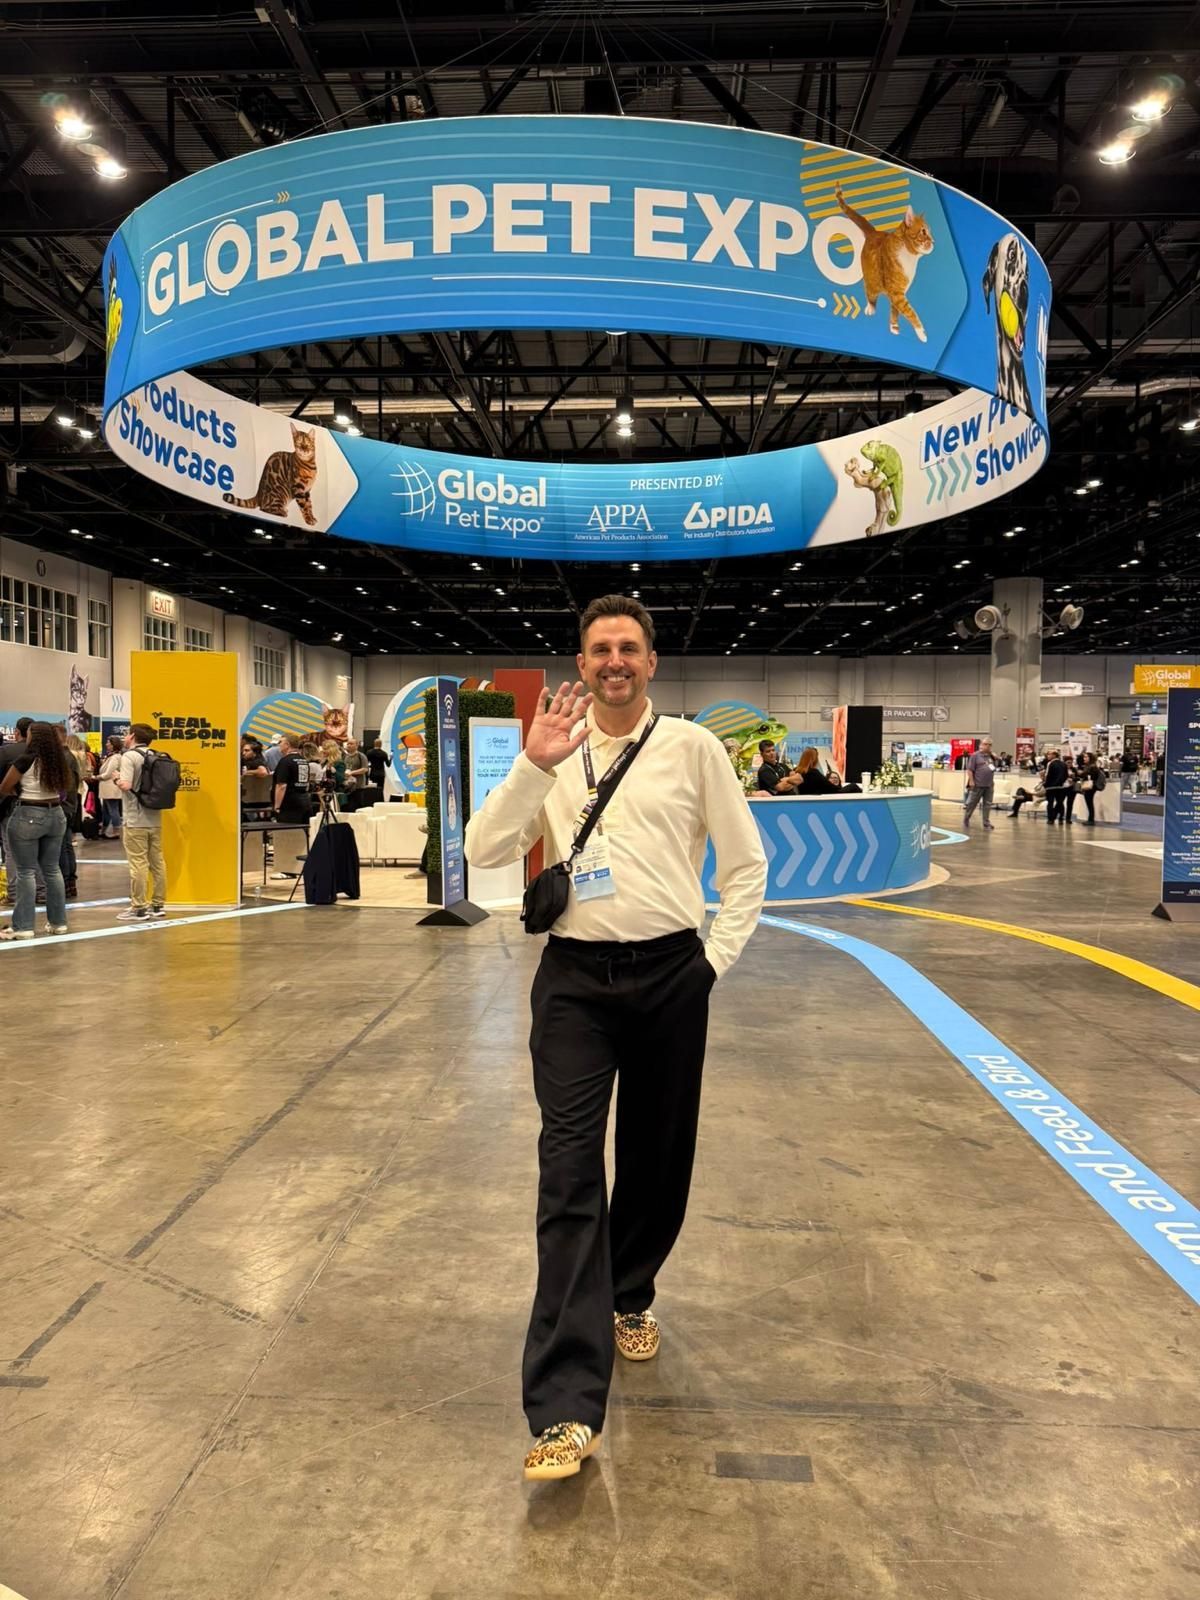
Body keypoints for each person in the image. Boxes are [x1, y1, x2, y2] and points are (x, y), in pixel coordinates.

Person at [465, 594, 767, 1483]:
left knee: (656, 1158)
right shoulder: (554, 749)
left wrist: (711, 963)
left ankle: (630, 1290)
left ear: (653, 661)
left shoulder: (693, 748)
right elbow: (484, 852)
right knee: (567, 1170)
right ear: (582, 662)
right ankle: (564, 1408)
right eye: (600, 650)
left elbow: (745, 865)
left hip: (674, 972)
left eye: (628, 647)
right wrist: (530, 768)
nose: (614, 662)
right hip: (574, 985)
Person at [0, 721, 76, 940]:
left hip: (28, 814)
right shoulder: (59, 759)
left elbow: (5, 786)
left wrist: (20, 791)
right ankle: (58, 922)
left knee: (25, 871)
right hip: (56, 815)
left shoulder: (26, 759)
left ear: (33, 736)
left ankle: (23, 926)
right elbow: (65, 788)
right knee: (52, 870)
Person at [115, 723, 168, 921]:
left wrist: (116, 779)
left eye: (127, 733)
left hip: (135, 818)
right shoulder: (156, 755)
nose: (125, 736)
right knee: (158, 862)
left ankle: (138, 907)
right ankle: (158, 905)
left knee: (138, 863)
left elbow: (127, 785)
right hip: (155, 817)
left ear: (133, 736)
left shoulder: (130, 756)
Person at [0, 717, 35, 906]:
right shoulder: (45, 754)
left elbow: (3, 784)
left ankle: (14, 893)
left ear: (17, 732)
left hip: (11, 806)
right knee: (39, 854)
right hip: (42, 808)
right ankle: (41, 892)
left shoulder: (7, 752)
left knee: (11, 851)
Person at [272, 735, 316, 825]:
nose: (279, 745)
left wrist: (277, 806)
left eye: (280, 742)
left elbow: (281, 785)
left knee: (288, 835)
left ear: (287, 744)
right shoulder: (303, 760)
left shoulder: (285, 761)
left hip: (289, 805)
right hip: (305, 801)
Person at [963, 737, 997, 831]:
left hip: (989, 785)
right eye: (985, 744)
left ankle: (986, 822)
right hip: (977, 784)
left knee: (987, 804)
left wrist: (994, 757)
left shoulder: (991, 756)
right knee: (972, 803)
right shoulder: (975, 755)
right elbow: (970, 769)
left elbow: (994, 767)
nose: (987, 746)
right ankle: (967, 818)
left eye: (989, 745)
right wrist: (971, 781)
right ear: (981, 745)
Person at [98, 735, 124, 838]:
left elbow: (108, 774)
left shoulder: (115, 757)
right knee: (106, 810)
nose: (106, 744)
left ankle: (116, 831)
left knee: (113, 810)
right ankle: (104, 830)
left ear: (114, 745)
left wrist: (95, 777)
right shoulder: (112, 756)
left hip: (111, 788)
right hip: (108, 788)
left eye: (108, 743)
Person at [1072, 750, 1105, 825]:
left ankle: (1091, 820)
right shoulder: (1089, 766)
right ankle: (1090, 819)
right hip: (1090, 786)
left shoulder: (1092, 766)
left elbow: (1090, 776)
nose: (1084, 758)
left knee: (1089, 803)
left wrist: (1082, 774)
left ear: (1090, 758)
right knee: (1089, 803)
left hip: (1090, 787)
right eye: (1084, 757)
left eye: (1086, 757)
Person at [1043, 748, 1069, 826]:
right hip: (1061, 787)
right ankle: (1060, 818)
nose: (1047, 756)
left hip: (1051, 787)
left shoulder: (1050, 763)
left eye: (1049, 754)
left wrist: (1046, 784)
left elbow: (1048, 775)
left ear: (1054, 755)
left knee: (1050, 803)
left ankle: (1050, 819)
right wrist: (1061, 782)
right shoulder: (1064, 764)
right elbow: (1066, 775)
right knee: (1060, 803)